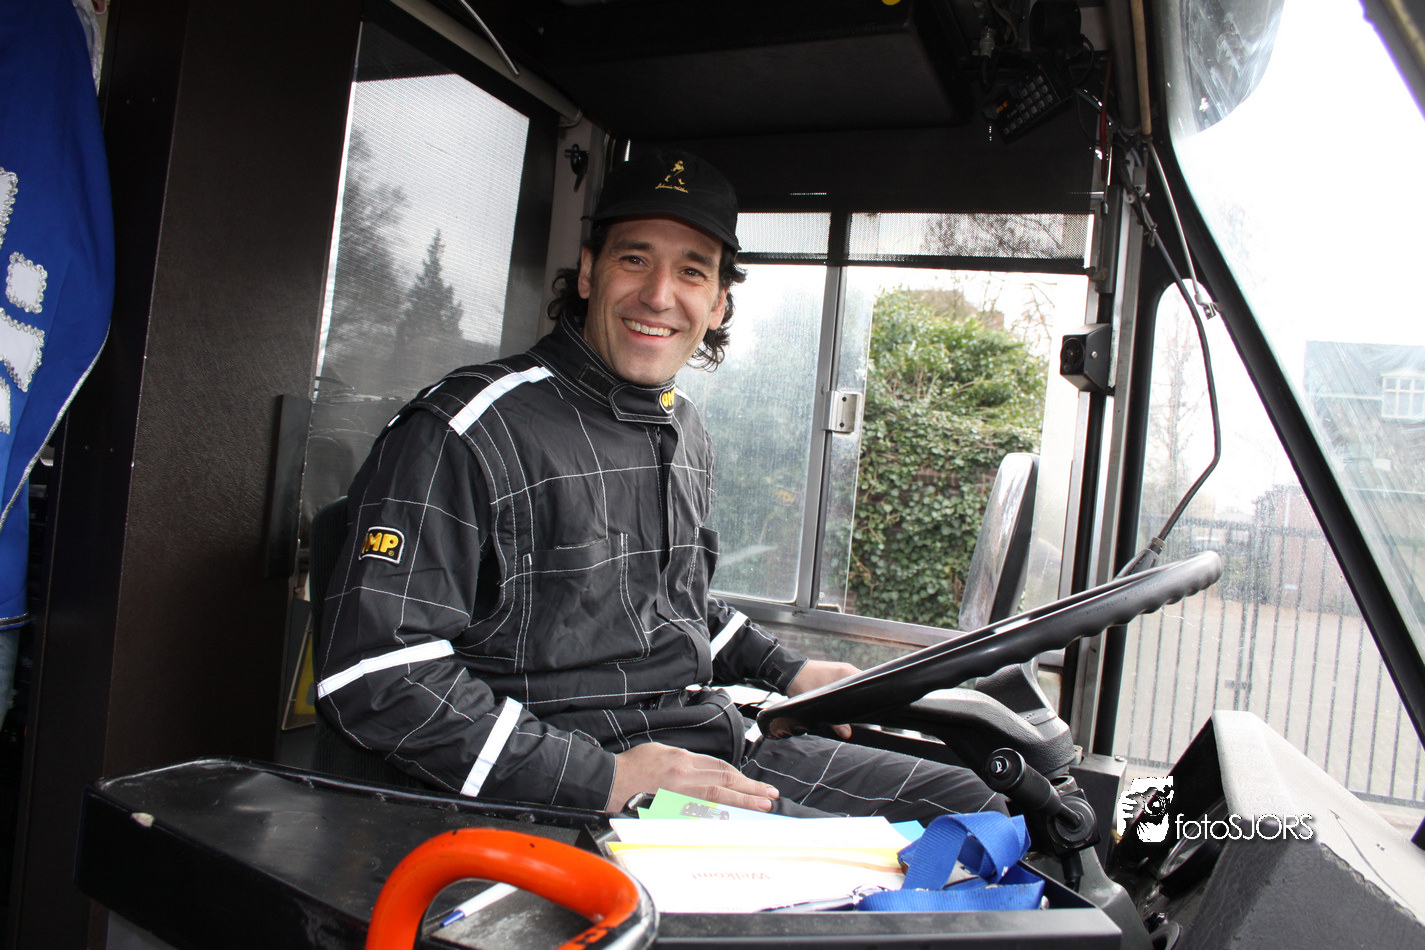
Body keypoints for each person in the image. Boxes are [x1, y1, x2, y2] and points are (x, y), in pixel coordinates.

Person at [315, 149, 1005, 820]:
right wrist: (605, 779)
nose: (658, 295)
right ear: (589, 273)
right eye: (634, 259)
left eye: (691, 271)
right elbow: (375, 676)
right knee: (898, 869)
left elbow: (675, 603)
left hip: (707, 744)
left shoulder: (685, 429)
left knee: (979, 806)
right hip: (568, 792)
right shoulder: (466, 429)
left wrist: (789, 671)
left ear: (718, 303)